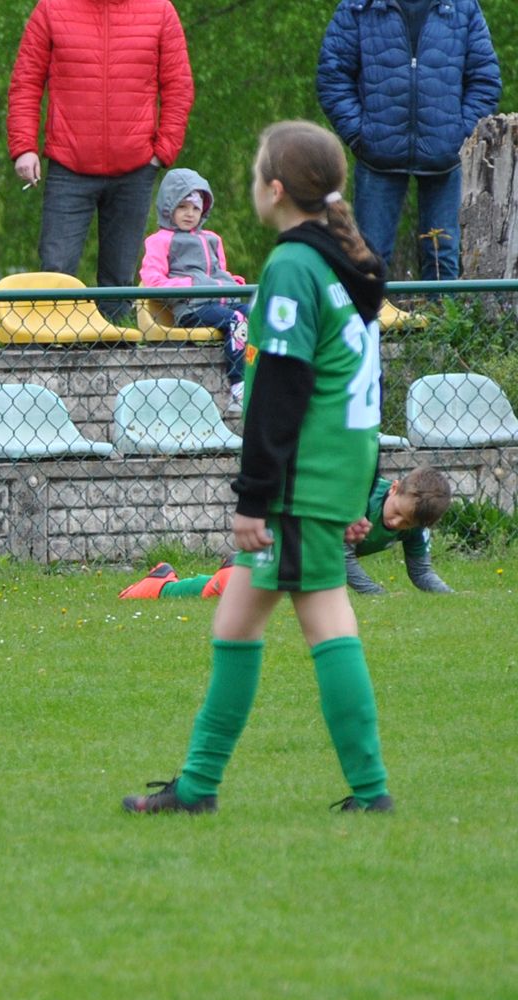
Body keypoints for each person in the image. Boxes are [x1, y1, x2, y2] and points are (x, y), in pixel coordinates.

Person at [124, 121, 393, 817]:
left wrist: (254, 498)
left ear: (275, 189)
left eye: (253, 172)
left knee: (327, 619)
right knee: (235, 623)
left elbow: (278, 389)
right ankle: (196, 785)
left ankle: (371, 792)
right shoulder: (344, 259)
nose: (248, 184)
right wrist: (354, 483)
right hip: (332, 466)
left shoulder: (294, 267)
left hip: (303, 475)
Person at [8, 0, 195, 316]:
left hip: (135, 170)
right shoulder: (51, 9)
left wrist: (162, 151)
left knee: (118, 281)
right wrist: (24, 146)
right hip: (69, 167)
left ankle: (115, 352)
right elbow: (25, 82)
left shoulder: (160, 10)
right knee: (55, 272)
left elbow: (179, 87)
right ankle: (49, 354)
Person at [317, 0, 502, 281]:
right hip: (377, 156)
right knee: (368, 261)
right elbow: (333, 77)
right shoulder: (359, 8)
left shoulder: (462, 7)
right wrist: (359, 135)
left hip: (445, 158)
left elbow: (485, 79)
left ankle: (443, 326)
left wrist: (459, 136)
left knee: (443, 261)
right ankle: (369, 325)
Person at [141, 167, 249, 405]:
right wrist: (191, 284)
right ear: (169, 207)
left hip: (220, 300)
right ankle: (238, 386)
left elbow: (218, 271)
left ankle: (259, 375)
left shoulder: (211, 239)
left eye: (196, 208)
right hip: (191, 308)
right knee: (235, 320)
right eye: (182, 207)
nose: (190, 214)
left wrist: (232, 282)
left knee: (256, 316)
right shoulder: (160, 241)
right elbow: (152, 280)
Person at [345, 466, 456, 594]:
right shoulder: (363, 500)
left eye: (407, 523)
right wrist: (376, 593)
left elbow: (421, 572)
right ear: (394, 488)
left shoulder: (417, 527)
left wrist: (450, 594)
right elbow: (341, 557)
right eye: (397, 511)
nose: (396, 522)